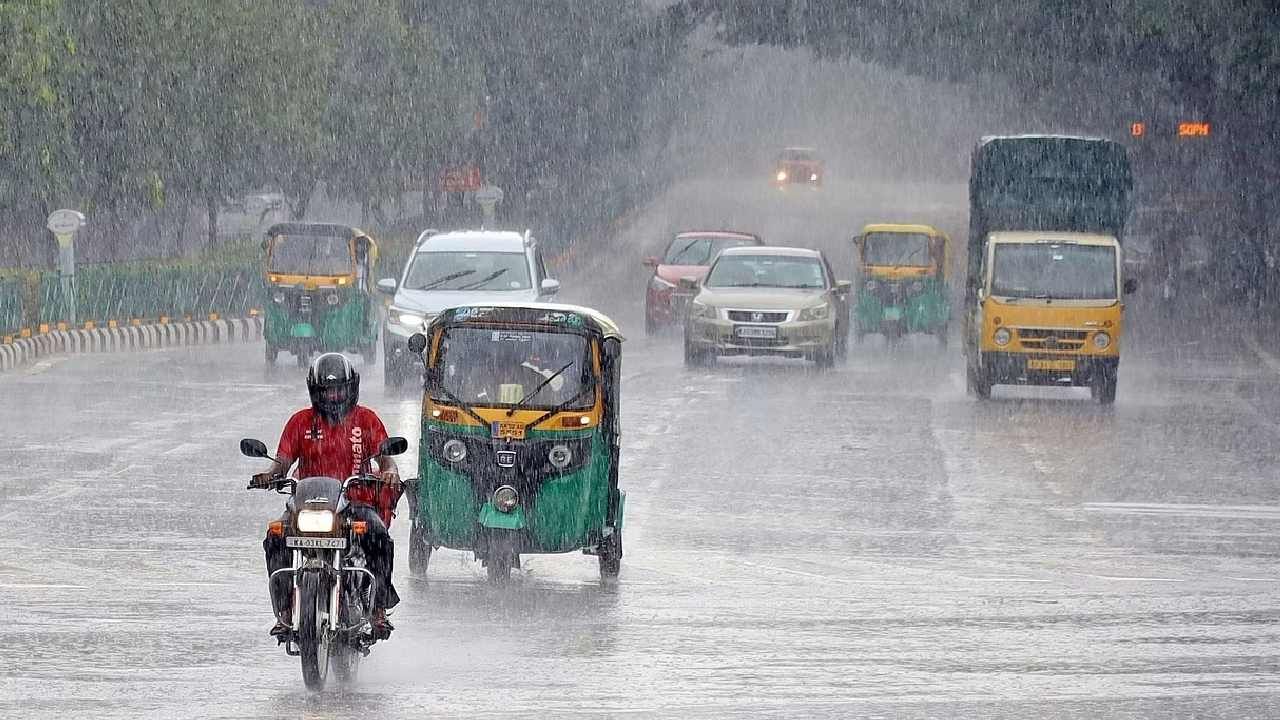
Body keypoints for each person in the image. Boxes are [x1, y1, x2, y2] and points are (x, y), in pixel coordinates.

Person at [252, 353, 402, 639]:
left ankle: (378, 609)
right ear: (315, 391)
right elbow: (281, 463)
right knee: (274, 537)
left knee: (379, 538)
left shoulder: (366, 420)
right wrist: (268, 475)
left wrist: (390, 472)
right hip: (307, 505)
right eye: (327, 391)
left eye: (339, 389)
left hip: (355, 503)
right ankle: (285, 611)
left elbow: (386, 461)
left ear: (351, 388)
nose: (334, 396)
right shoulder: (300, 422)